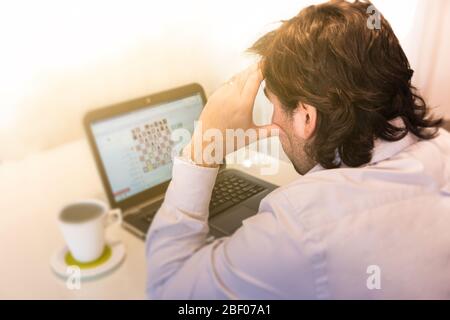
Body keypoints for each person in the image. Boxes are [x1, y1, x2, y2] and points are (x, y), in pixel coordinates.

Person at [145, 0, 450, 299]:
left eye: (274, 105)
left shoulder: (302, 227)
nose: (275, 120)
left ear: (306, 117)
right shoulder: (442, 145)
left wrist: (204, 145)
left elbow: (168, 289)